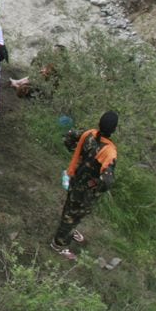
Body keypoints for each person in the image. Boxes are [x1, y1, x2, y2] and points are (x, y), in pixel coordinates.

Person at [50, 111, 120, 261]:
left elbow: (69, 136)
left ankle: (68, 231)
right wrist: (95, 185)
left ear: (99, 123)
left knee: (70, 208)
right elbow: (107, 181)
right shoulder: (109, 151)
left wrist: (74, 151)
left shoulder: (89, 134)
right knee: (73, 215)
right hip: (86, 191)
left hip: (75, 178)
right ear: (114, 130)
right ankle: (59, 244)